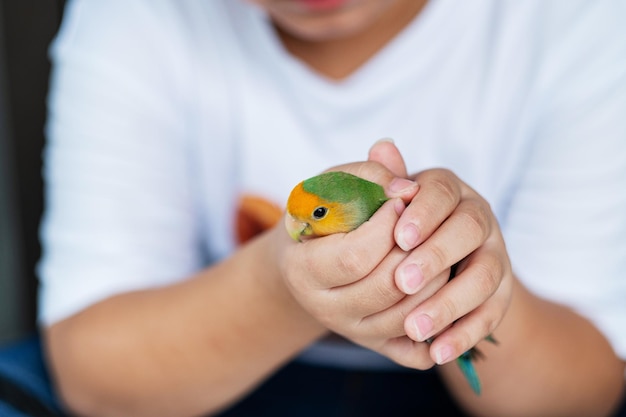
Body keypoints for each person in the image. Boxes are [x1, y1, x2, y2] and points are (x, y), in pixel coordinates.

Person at [22, 0, 626, 416]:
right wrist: (282, 285)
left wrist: (467, 288)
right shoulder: (135, 17)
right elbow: (93, 378)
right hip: (202, 384)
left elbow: (583, 394)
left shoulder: (575, 21)